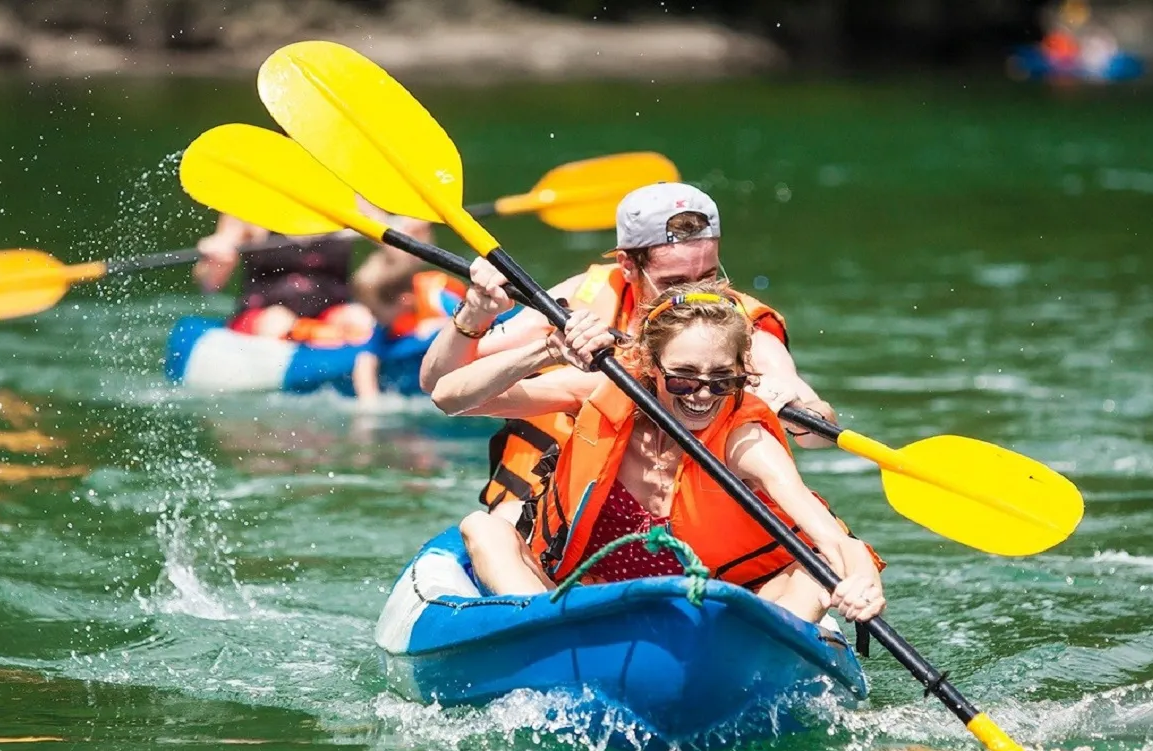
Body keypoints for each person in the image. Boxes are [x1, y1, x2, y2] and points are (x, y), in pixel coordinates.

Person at [431, 280, 885, 625]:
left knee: (816, 571)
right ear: (651, 367)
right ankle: (545, 637)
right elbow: (449, 396)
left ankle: (761, 658)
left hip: (716, 617)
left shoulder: (744, 440)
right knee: (484, 527)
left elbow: (833, 539)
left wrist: (863, 582)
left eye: (721, 380)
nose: (702, 395)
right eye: (683, 377)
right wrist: (544, 349)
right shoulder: (605, 392)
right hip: (585, 609)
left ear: (742, 374)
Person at [418, 182, 838, 532]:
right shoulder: (575, 302)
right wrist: (474, 314)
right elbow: (441, 385)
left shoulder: (742, 326)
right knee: (500, 524)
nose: (692, 297)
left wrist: (798, 411)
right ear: (627, 264)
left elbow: (817, 433)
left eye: (708, 278)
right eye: (673, 281)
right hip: (556, 495)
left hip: (689, 513)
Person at [192, 210, 437, 347]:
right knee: (278, 322)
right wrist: (215, 261)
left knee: (360, 319)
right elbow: (209, 284)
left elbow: (404, 257)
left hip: (330, 310)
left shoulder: (348, 200)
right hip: (264, 313)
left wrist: (415, 238)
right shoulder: (248, 205)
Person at [351, 263, 468, 399]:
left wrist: (440, 325)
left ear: (403, 302)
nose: (372, 316)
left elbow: (469, 319)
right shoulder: (384, 324)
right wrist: (369, 400)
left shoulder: (437, 298)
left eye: (375, 311)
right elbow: (366, 359)